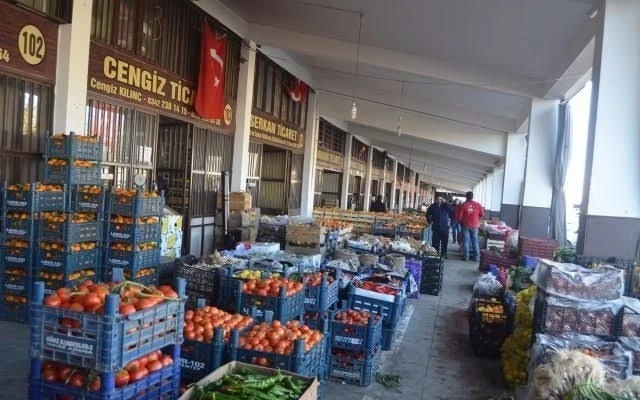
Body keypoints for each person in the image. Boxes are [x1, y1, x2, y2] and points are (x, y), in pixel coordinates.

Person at [456, 191, 485, 262]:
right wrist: (476, 217)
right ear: (472, 197)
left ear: (466, 197)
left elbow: (459, 217)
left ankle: (466, 257)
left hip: (465, 225)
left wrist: (461, 223)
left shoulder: (463, 205)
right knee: (475, 241)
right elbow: (482, 214)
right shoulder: (478, 205)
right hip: (474, 225)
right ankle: (477, 258)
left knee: (466, 241)